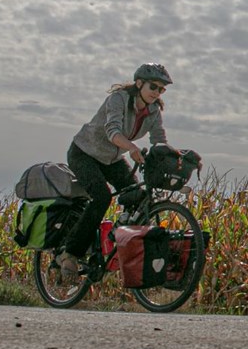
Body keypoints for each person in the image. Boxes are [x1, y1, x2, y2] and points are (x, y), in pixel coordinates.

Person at [56, 63, 172, 279]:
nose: (157, 93)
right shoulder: (118, 99)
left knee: (137, 197)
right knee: (102, 196)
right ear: (139, 84)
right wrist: (131, 147)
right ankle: (69, 253)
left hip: (112, 159)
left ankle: (110, 243)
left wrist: (173, 156)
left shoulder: (154, 111)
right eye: (153, 87)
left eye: (161, 89)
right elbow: (113, 131)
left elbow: (159, 140)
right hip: (84, 153)